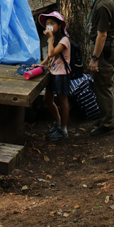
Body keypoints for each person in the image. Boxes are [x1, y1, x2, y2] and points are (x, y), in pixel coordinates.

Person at [85, 0, 114, 137]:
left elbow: (102, 35)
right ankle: (108, 115)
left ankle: (108, 124)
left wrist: (94, 58)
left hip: (104, 50)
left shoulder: (103, 4)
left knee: (104, 86)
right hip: (105, 47)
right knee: (103, 84)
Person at [38, 11, 71, 140]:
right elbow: (51, 57)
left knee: (62, 101)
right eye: (47, 24)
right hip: (53, 72)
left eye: (52, 23)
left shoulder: (64, 40)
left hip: (62, 75)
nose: (49, 26)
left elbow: (52, 53)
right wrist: (41, 64)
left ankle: (63, 129)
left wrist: (50, 38)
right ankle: (57, 123)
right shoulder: (55, 39)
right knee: (47, 100)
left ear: (59, 25)